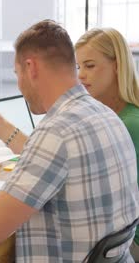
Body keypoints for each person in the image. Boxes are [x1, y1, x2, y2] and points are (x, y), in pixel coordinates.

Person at [0, 20, 139, 261]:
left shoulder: (56, 131)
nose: (19, 84)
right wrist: (1, 125)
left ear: (31, 68)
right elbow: (58, 158)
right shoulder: (106, 114)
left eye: (17, 74)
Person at [75, 27, 139, 260]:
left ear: (117, 66)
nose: (81, 75)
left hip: (131, 243)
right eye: (78, 67)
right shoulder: (112, 115)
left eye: (89, 66)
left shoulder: (128, 124)